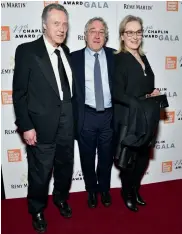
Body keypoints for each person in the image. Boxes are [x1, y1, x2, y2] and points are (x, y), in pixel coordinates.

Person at [13, 4, 74, 233]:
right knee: (40, 173)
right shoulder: (27, 51)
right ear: (44, 25)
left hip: (68, 123)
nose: (62, 29)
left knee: (64, 167)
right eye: (56, 23)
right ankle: (36, 209)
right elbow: (19, 94)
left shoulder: (65, 52)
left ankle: (60, 198)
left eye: (65, 24)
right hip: (41, 126)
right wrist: (26, 126)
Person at [113, 15, 160, 212]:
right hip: (128, 118)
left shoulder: (144, 57)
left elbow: (146, 85)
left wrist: (151, 93)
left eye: (138, 32)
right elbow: (117, 92)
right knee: (128, 161)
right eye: (130, 32)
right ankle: (127, 192)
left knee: (142, 159)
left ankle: (135, 188)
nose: (135, 36)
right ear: (122, 36)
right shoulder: (119, 59)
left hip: (146, 118)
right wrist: (138, 102)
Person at [71, 17, 115, 208]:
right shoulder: (73, 58)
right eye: (92, 31)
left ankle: (104, 189)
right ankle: (91, 190)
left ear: (106, 36)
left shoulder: (116, 56)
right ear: (85, 35)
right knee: (86, 158)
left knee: (106, 157)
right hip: (85, 116)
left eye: (101, 32)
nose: (97, 35)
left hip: (109, 116)